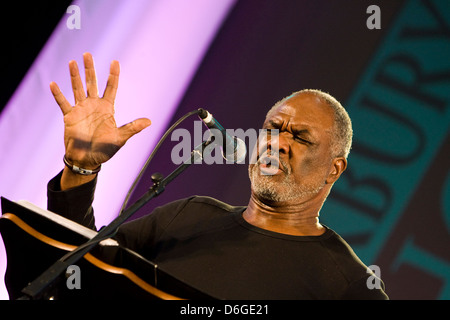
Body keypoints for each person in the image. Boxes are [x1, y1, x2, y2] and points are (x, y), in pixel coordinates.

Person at [47, 53, 388, 299]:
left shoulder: (349, 286)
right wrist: (81, 168)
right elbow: (73, 274)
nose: (278, 143)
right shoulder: (188, 216)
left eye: (300, 137)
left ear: (334, 168)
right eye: (273, 128)